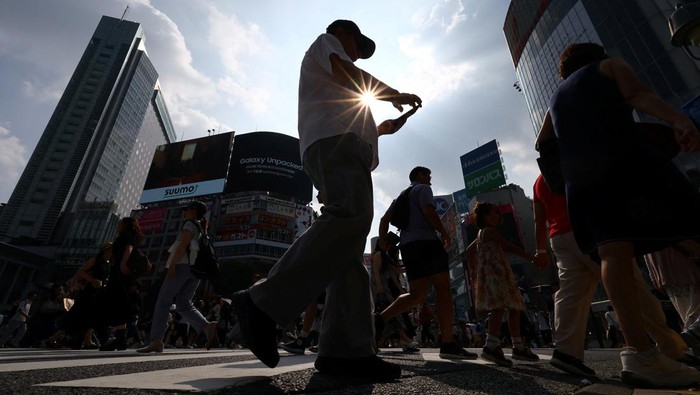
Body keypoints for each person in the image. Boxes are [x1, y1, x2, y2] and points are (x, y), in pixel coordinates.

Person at [231, 19, 422, 380]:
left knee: (348, 257)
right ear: (342, 32)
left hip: (340, 145)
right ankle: (261, 300)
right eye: (356, 45)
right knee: (349, 217)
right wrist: (392, 92)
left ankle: (344, 352)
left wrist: (384, 128)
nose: (356, 54)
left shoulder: (337, 78)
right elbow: (346, 72)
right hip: (336, 145)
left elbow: (354, 106)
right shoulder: (326, 42)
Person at [548, 42, 700, 388]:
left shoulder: (555, 98)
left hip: (582, 180)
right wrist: (678, 119)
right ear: (597, 55)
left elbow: (544, 143)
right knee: (688, 221)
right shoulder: (610, 66)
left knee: (612, 252)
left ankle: (641, 355)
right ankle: (665, 344)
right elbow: (636, 94)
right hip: (623, 162)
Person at [533, 172, 700, 379]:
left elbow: (539, 220)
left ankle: (566, 351)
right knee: (630, 287)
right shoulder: (574, 161)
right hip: (590, 229)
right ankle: (671, 349)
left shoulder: (539, 181)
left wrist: (540, 251)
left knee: (570, 293)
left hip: (559, 238)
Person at [377, 166, 476, 360]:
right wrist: (445, 233)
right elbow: (428, 211)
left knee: (416, 295)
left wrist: (382, 242)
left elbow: (383, 219)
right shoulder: (423, 189)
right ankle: (447, 343)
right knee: (443, 289)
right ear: (418, 176)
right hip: (427, 242)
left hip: (408, 246)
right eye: (426, 174)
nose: (430, 177)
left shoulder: (400, 197)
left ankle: (379, 320)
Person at [466, 201, 541, 366]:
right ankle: (493, 346)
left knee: (513, 307)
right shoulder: (490, 232)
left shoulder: (481, 233)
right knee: (501, 308)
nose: (494, 216)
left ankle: (517, 346)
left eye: (496, 213)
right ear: (481, 217)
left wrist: (474, 270)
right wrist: (531, 258)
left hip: (496, 273)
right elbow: (508, 246)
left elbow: (469, 251)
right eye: (489, 213)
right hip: (498, 273)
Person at [138, 201, 218, 353]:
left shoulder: (190, 224)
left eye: (187, 209)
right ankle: (206, 326)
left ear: (193, 210)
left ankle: (156, 340)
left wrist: (172, 266)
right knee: (183, 303)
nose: (184, 212)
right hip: (196, 270)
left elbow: (182, 246)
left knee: (163, 301)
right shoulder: (202, 227)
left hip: (181, 265)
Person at [48, 242, 112, 349]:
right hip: (88, 293)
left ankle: (88, 341)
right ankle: (53, 338)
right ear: (106, 250)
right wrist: (92, 280)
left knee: (91, 318)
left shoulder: (109, 263)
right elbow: (80, 271)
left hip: (98, 293)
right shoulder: (94, 261)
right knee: (76, 315)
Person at [95, 217, 145, 351]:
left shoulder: (127, 236)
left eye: (120, 223)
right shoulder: (130, 236)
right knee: (119, 304)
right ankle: (120, 339)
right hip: (120, 274)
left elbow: (128, 248)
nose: (118, 225)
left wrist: (123, 263)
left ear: (125, 225)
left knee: (108, 302)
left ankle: (115, 338)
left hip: (119, 274)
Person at [370, 232, 419, 352]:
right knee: (391, 314)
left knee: (386, 316)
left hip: (385, 289)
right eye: (388, 244)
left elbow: (394, 272)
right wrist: (380, 287)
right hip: (380, 289)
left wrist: (400, 288)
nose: (389, 247)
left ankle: (374, 342)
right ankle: (406, 340)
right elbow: (376, 272)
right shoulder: (377, 255)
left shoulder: (385, 256)